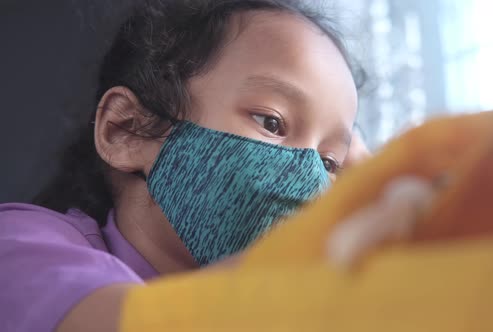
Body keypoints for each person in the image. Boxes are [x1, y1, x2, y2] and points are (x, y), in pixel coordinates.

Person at [0, 1, 364, 331]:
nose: (310, 177)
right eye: (271, 122)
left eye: (329, 162)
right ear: (126, 131)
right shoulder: (22, 246)